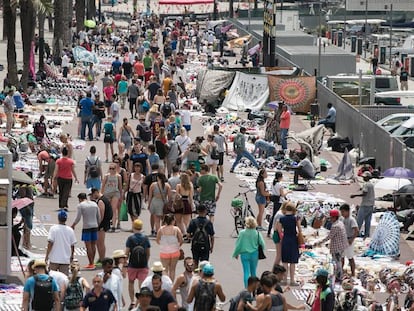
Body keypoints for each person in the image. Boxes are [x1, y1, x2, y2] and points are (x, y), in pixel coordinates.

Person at [315, 209, 348, 283]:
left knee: (337, 263)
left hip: (337, 247)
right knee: (339, 261)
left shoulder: (335, 226)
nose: (330, 219)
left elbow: (329, 237)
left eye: (331, 217)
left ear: (334, 217)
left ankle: (338, 277)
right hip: (341, 246)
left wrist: (319, 242)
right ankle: (339, 275)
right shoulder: (340, 223)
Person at [232, 216, 265, 287]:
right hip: (254, 254)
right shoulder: (257, 233)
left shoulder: (242, 233)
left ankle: (247, 288)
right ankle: (254, 287)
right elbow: (262, 244)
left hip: (244, 254)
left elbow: (238, 244)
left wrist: (236, 253)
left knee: (246, 272)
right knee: (253, 272)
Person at [125, 219, 151, 309]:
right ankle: (139, 301)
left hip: (132, 265)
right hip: (143, 265)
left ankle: (132, 301)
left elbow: (127, 253)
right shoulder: (145, 238)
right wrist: (146, 262)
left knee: (131, 282)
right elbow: (148, 252)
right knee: (142, 284)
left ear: (133, 227)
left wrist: (125, 264)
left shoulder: (130, 238)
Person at [71, 193, 100, 269]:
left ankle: (90, 263)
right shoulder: (94, 204)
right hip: (95, 226)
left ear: (80, 199)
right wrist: (98, 224)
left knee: (88, 246)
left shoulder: (81, 205)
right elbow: (98, 216)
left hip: (86, 227)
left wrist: (73, 225)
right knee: (93, 245)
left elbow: (78, 217)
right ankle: (92, 262)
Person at [45, 210, 76, 276]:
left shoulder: (53, 229)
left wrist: (47, 256)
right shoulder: (70, 230)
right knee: (64, 280)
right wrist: (71, 257)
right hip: (65, 260)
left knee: (51, 278)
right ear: (66, 219)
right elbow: (72, 245)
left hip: (54, 259)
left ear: (58, 218)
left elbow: (50, 243)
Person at [276, 202, 301, 285]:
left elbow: (279, 231)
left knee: (285, 261)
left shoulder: (281, 219)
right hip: (293, 239)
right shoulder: (295, 218)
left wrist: (282, 237)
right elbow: (299, 229)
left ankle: (285, 279)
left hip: (285, 239)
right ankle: (292, 280)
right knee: (293, 262)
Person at [156, 214, 183, 281]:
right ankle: (171, 284)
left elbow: (157, 240)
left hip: (164, 252)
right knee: (172, 269)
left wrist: (162, 245)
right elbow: (181, 240)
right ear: (173, 221)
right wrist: (178, 245)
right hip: (175, 251)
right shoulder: (176, 229)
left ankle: (166, 283)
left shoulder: (161, 229)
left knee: (165, 269)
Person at [89, 188, 113, 264]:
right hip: (104, 223)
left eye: (92, 195)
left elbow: (101, 215)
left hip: (102, 224)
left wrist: (98, 225)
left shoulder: (101, 201)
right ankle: (101, 257)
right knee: (99, 242)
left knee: (100, 243)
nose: (92, 197)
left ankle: (102, 259)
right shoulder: (103, 199)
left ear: (96, 192)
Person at [350, 171, 375, 238]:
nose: (363, 178)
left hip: (365, 205)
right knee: (367, 221)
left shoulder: (366, 184)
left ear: (367, 177)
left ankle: (355, 234)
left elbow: (364, 193)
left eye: (364, 177)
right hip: (371, 205)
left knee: (359, 220)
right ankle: (367, 235)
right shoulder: (371, 184)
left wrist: (354, 195)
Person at [268, 172, 290, 238]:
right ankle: (279, 231)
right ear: (280, 177)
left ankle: (269, 231)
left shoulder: (273, 183)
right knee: (280, 216)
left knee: (274, 216)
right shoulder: (279, 185)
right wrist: (288, 192)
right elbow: (282, 194)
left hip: (275, 200)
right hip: (279, 201)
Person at [101, 163, 122, 232]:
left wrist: (121, 195)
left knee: (114, 209)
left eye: (113, 168)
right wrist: (101, 194)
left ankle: (113, 226)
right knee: (106, 209)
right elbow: (103, 185)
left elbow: (120, 187)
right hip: (107, 193)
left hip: (115, 193)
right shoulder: (106, 176)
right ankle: (106, 224)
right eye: (110, 168)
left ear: (115, 169)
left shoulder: (118, 176)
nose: (111, 170)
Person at [339, 204, 359, 277]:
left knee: (350, 257)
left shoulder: (351, 220)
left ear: (348, 211)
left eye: (343, 212)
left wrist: (352, 239)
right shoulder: (342, 219)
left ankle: (353, 273)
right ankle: (340, 271)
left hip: (349, 240)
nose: (342, 213)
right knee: (342, 257)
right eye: (341, 212)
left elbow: (356, 231)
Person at [175, 172, 194, 236]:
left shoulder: (178, 186)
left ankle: (183, 233)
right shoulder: (190, 186)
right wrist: (191, 206)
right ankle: (188, 233)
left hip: (180, 203)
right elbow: (191, 197)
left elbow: (177, 195)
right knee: (187, 221)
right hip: (186, 202)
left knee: (178, 220)